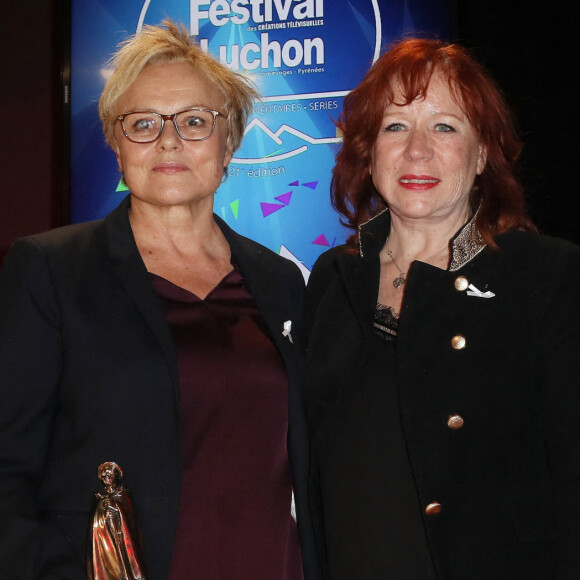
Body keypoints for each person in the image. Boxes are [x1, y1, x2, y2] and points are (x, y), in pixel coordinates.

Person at [0, 20, 319, 580]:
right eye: (142, 123)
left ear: (230, 141)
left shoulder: (281, 281)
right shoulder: (51, 270)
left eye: (195, 121)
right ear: (116, 144)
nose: (168, 141)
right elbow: (7, 469)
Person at [302, 38, 580, 579]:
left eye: (445, 127)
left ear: (482, 155)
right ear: (368, 151)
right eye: (395, 127)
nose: (417, 151)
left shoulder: (548, 278)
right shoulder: (333, 281)